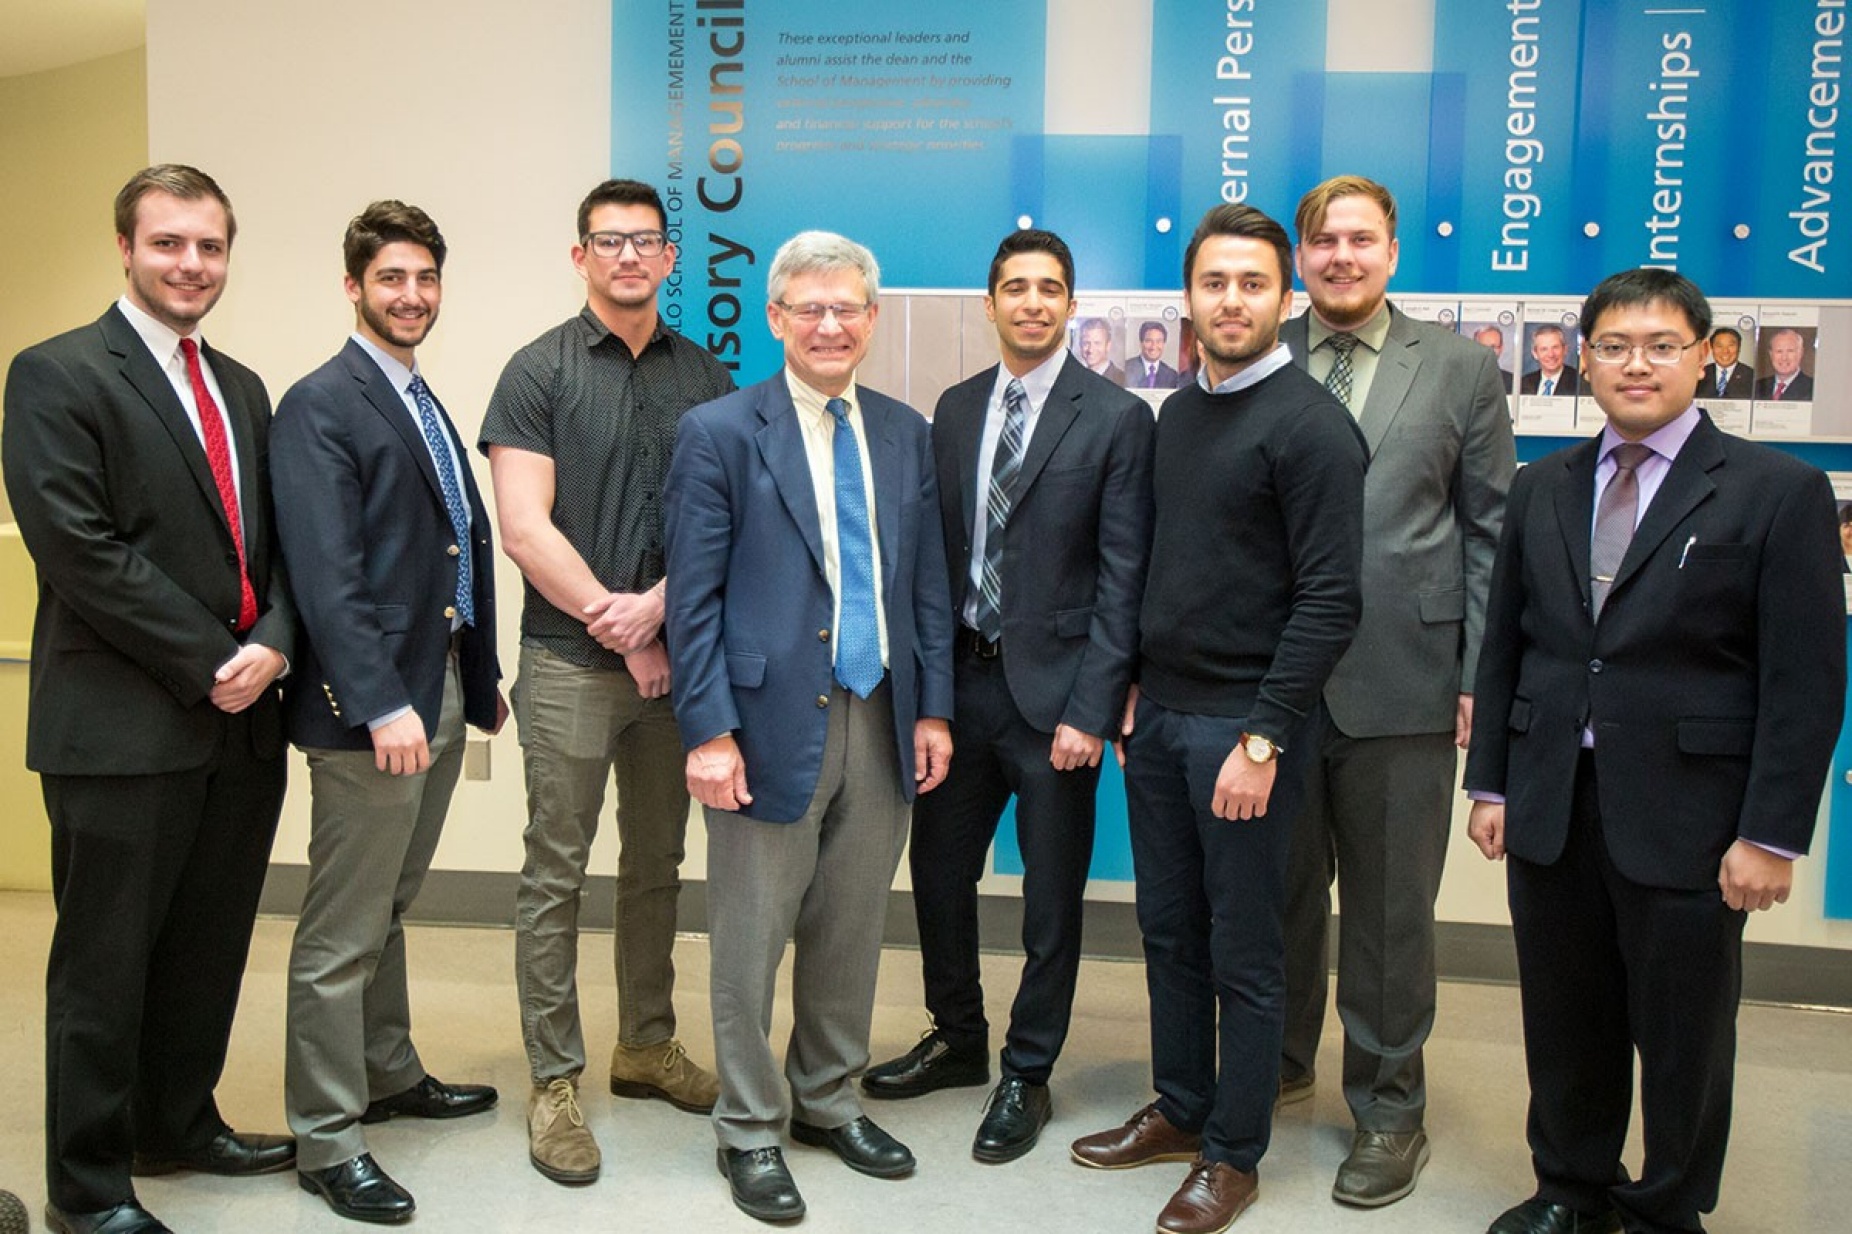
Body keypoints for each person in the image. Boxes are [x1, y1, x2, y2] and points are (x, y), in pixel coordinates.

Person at [1464, 267, 1845, 1234]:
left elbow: (1805, 683)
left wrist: (1771, 833)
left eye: (1661, 345)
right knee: (1564, 1014)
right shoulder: (1543, 486)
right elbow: (1507, 644)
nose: (1637, 364)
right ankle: (1570, 1187)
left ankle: (1667, 1208)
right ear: (1584, 358)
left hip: (1694, 814)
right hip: (1553, 796)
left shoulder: (1779, 494)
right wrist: (1492, 783)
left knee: (1683, 1036)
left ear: (1707, 357)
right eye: (1615, 346)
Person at [3, 164, 298, 1234]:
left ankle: (176, 1123)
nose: (191, 265)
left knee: (206, 946)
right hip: (121, 731)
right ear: (125, 248)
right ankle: (87, 1187)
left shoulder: (246, 389)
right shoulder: (55, 373)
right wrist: (213, 656)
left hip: (242, 728)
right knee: (103, 968)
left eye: (209, 246)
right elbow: (78, 549)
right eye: (169, 243)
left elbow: (274, 547)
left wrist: (271, 643)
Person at [1069, 204, 1366, 1234]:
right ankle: (1184, 1104)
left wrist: (1263, 736)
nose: (1230, 301)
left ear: (1284, 300)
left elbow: (1331, 599)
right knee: (1167, 929)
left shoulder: (1313, 428)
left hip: (1247, 731)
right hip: (1163, 724)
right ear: (1186, 301)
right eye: (1213, 283)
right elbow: (1169, 568)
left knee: (1245, 947)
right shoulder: (1176, 416)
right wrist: (1138, 689)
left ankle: (1233, 1152)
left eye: (1251, 284)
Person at [664, 231, 955, 1224]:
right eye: (809, 308)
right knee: (749, 935)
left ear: (871, 320)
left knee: (851, 927)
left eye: (847, 309)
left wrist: (934, 712)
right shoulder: (718, 432)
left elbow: (925, 587)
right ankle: (749, 1126)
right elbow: (691, 600)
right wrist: (707, 729)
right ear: (775, 319)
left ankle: (827, 1101)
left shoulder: (905, 431)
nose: (830, 325)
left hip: (880, 715)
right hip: (759, 721)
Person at [860, 229, 1153, 1164]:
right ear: (989, 304)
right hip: (961, 684)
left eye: (1050, 289)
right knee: (939, 876)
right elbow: (936, 566)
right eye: (1015, 288)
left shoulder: (1114, 418)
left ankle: (1028, 1068)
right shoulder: (951, 410)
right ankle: (957, 1035)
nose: (1032, 303)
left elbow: (1123, 577)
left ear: (1073, 305)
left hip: (1057, 701)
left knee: (1051, 898)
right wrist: (929, 701)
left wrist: (1093, 709)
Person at [480, 179, 732, 1185]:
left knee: (656, 865)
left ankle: (643, 1043)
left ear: (670, 258)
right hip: (569, 663)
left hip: (674, 664)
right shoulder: (535, 371)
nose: (628, 256)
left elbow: (723, 521)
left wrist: (661, 609)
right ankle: (553, 1080)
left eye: (644, 242)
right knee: (554, 874)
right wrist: (622, 625)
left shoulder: (708, 377)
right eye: (607, 241)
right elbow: (522, 526)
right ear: (578, 255)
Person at [1277, 175, 1515, 1208]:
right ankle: (1275, 1060)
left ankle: (1386, 1104)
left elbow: (1488, 537)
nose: (1340, 255)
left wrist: (1475, 679)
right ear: (1298, 253)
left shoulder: (1461, 368)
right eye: (1322, 239)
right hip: (1271, 692)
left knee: (1387, 916)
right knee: (1273, 900)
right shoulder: (1252, 354)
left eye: (1359, 239)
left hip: (1405, 684)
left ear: (1393, 251)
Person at [270, 200, 506, 1223]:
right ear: (354, 284)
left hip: (441, 685)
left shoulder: (416, 395)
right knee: (341, 927)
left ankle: (387, 1069)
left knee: (393, 904)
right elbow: (328, 575)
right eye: (391, 278)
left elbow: (454, 541)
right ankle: (327, 1136)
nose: (411, 295)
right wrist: (380, 703)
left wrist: (478, 670)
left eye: (425, 279)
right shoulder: (322, 402)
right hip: (376, 708)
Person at [1753, 328, 1814, 400]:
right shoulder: (1757, 387)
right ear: (1771, 354)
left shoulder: (1813, 388)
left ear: (1801, 353)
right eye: (1779, 351)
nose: (1784, 358)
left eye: (1790, 351)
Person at [1519, 325, 1579, 395]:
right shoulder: (1524, 383)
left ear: (1565, 350)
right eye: (1544, 349)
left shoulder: (1579, 383)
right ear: (1535, 353)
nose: (1551, 354)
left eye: (1555, 347)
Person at [1699, 326, 1753, 399]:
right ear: (1711, 348)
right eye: (1719, 346)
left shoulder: (1751, 375)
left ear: (1739, 347)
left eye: (1731, 345)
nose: (1725, 351)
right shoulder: (1699, 374)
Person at [1125, 321, 1181, 389]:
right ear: (1141, 343)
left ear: (1164, 344)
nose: (1153, 346)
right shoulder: (1126, 369)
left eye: (1159, 341)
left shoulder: (1172, 375)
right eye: (1149, 341)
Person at [1075, 317, 1125, 385]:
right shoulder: (1075, 379)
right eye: (1086, 343)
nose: (1090, 350)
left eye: (1097, 343)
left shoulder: (1122, 379)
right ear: (1080, 345)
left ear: (1108, 346)